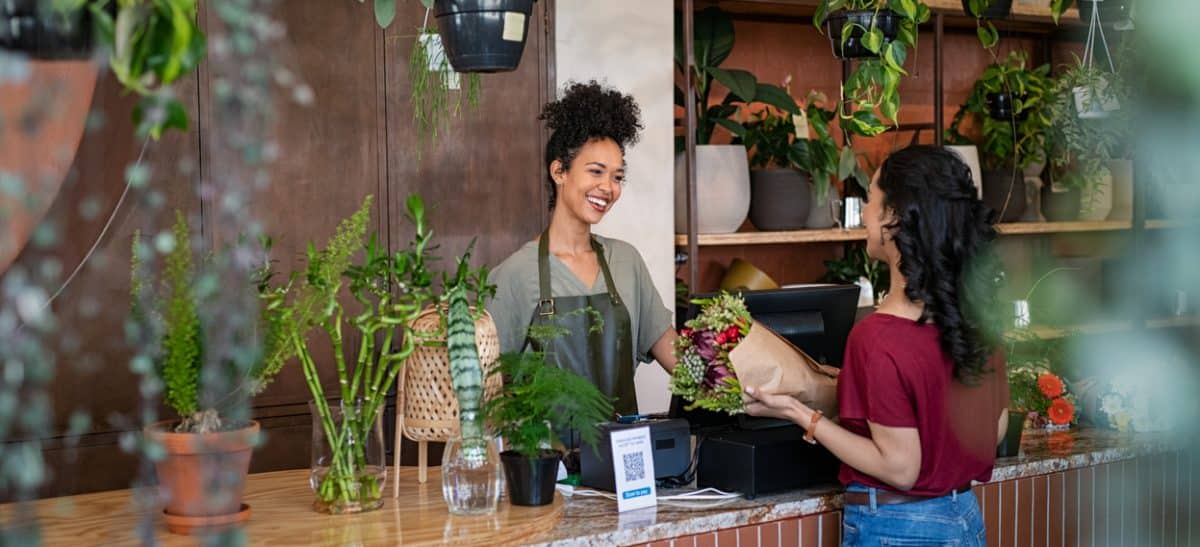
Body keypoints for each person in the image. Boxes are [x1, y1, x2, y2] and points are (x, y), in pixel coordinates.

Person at [743, 145, 1008, 545]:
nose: (864, 211)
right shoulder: (978, 323)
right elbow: (996, 428)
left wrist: (803, 415)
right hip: (963, 518)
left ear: (894, 218)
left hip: (897, 529)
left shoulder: (877, 337)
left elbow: (900, 468)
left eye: (870, 198)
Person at [487, 81, 677, 418]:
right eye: (596, 172)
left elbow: (675, 355)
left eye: (617, 177)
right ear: (559, 171)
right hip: (546, 466)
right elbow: (487, 391)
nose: (608, 188)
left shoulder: (626, 262)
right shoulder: (514, 275)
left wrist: (743, 388)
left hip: (623, 458)